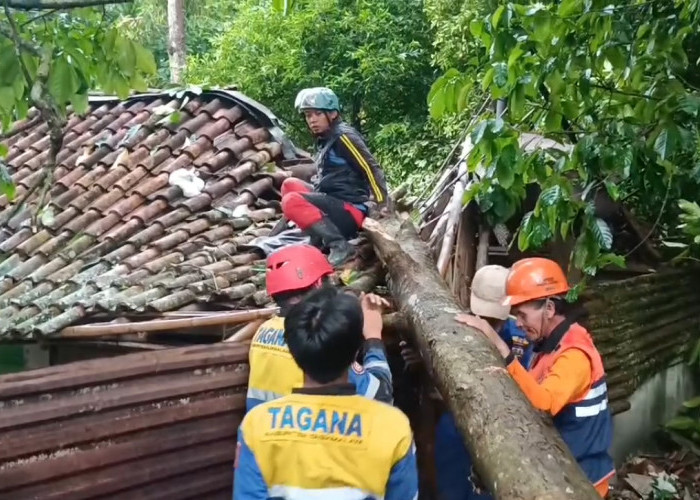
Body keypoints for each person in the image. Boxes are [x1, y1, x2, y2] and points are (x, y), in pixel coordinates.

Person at [234, 287, 419, 500]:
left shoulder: (257, 426)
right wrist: (374, 337)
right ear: (355, 349)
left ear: (293, 349)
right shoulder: (393, 427)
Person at [456, 257, 614, 497]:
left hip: (583, 480)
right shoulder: (549, 345)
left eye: (522, 315)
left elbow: (544, 404)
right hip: (561, 469)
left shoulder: (574, 354)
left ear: (549, 308)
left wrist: (503, 350)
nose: (518, 324)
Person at [401, 265, 532, 500]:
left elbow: (529, 388)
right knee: (450, 484)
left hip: (501, 428)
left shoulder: (521, 338)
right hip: (457, 424)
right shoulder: (454, 327)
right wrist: (422, 361)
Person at [246, 244, 393, 412]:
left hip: (268, 430)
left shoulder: (262, 331)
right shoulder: (314, 335)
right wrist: (373, 337)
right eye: (327, 280)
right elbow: (380, 395)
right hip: (314, 433)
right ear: (317, 285)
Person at [280, 87, 391, 267]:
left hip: (350, 209)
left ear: (332, 113)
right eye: (308, 115)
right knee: (289, 185)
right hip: (332, 201)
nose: (312, 120)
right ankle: (318, 237)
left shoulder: (343, 136)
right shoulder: (326, 137)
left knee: (291, 201)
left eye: (317, 114)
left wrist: (382, 202)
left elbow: (371, 168)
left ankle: (339, 245)